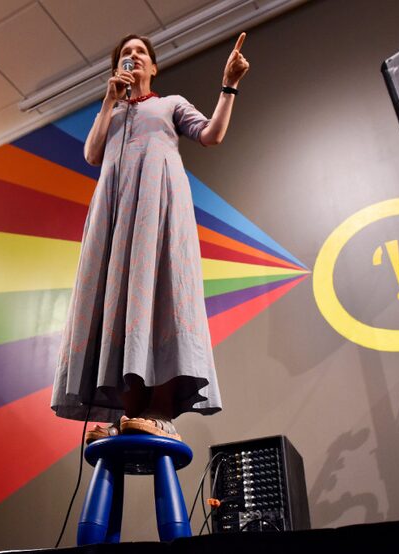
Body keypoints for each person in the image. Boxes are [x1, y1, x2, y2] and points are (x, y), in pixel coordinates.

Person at [51, 33, 250, 441]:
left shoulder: (169, 104)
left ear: (153, 67)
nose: (133, 57)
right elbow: (92, 154)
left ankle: (161, 409)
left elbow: (211, 135)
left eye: (140, 52)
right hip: (116, 218)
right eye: (125, 53)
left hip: (157, 211)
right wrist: (109, 101)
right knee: (119, 303)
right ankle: (128, 412)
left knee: (158, 295)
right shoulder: (112, 112)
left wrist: (228, 85)